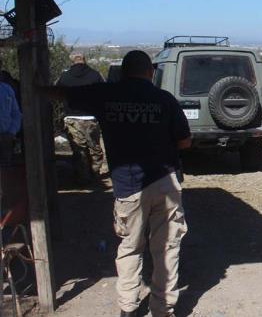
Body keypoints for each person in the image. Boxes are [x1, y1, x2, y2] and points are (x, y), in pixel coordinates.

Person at [40, 50, 191, 317]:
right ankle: (163, 309)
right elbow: (184, 141)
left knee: (130, 248)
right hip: (165, 183)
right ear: (150, 72)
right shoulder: (164, 99)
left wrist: (33, 89)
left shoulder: (107, 94)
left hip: (128, 186)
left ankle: (128, 308)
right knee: (167, 249)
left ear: (123, 72)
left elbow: (63, 93)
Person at [55, 52, 105, 185]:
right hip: (91, 118)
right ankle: (95, 173)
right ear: (85, 60)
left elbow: (56, 93)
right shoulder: (96, 75)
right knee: (94, 146)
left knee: (79, 149)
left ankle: (83, 177)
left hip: (72, 118)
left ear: (72, 61)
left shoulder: (64, 76)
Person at [0, 79, 21, 162]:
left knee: (6, 171)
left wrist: (11, 132)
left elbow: (16, 114)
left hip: (6, 140)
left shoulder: (7, 89)